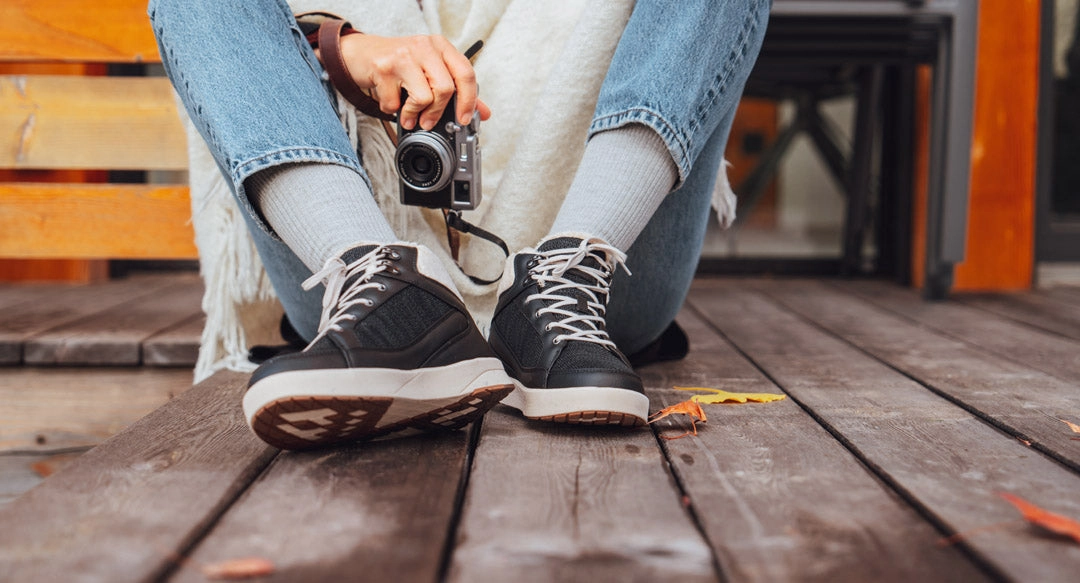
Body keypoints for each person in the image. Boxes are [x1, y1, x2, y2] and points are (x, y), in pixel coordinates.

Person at [148, 0, 770, 450]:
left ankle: (565, 273)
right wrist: (343, 48)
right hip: (347, 284)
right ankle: (389, 288)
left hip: (604, 292)